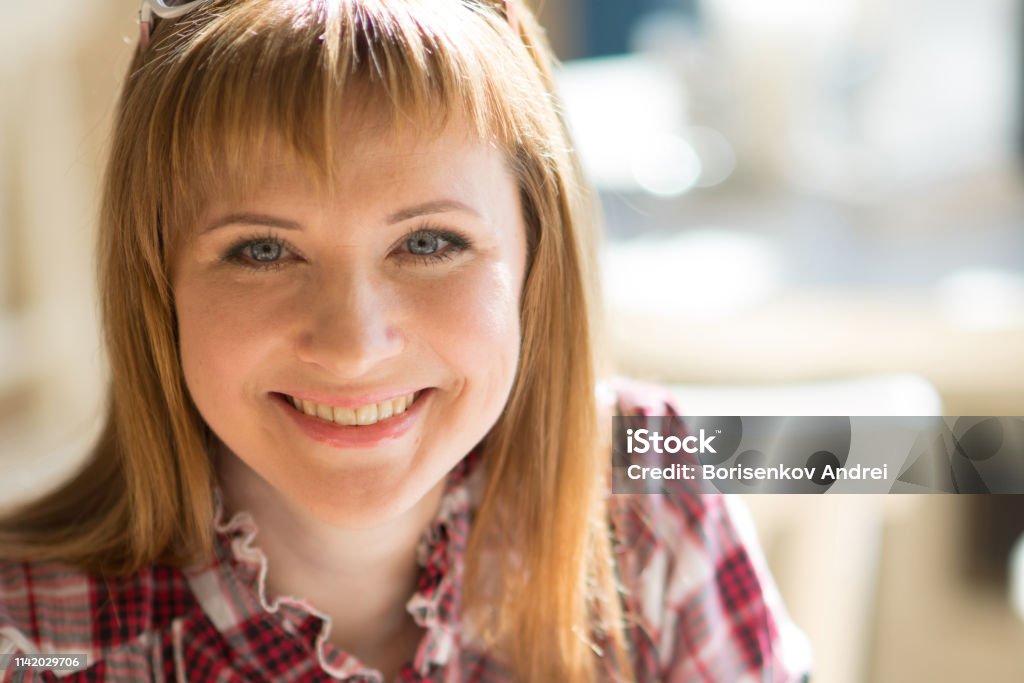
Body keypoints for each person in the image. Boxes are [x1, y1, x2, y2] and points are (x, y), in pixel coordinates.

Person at [0, 1, 810, 681]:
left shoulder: (649, 499)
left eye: (428, 243)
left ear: (536, 257)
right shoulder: (31, 640)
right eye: (261, 249)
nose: (353, 346)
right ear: (158, 287)